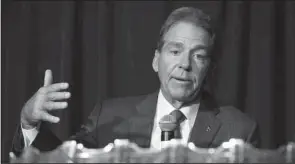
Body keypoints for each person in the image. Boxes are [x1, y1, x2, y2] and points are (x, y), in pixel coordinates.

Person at [11, 7, 260, 157]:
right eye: (175, 51)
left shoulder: (239, 131)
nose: (185, 64)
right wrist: (29, 123)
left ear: (209, 68)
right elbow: (63, 160)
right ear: (156, 60)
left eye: (198, 55)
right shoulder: (108, 118)